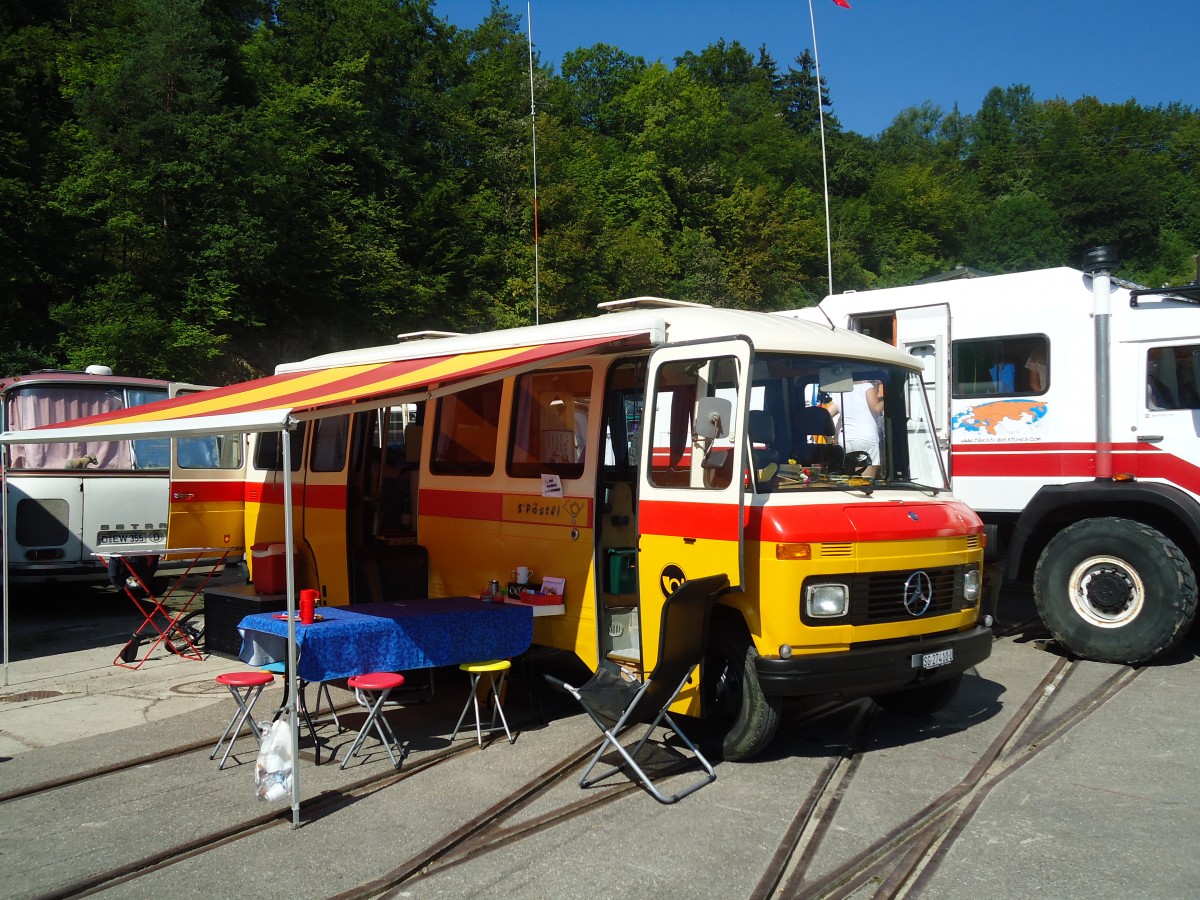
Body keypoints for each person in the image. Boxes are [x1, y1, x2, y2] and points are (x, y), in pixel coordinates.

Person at [839, 380, 883, 474]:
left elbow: (827, 414)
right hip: (865, 438)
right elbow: (876, 408)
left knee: (848, 478)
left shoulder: (842, 392)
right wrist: (891, 397)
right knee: (864, 482)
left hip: (844, 440)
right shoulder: (867, 386)